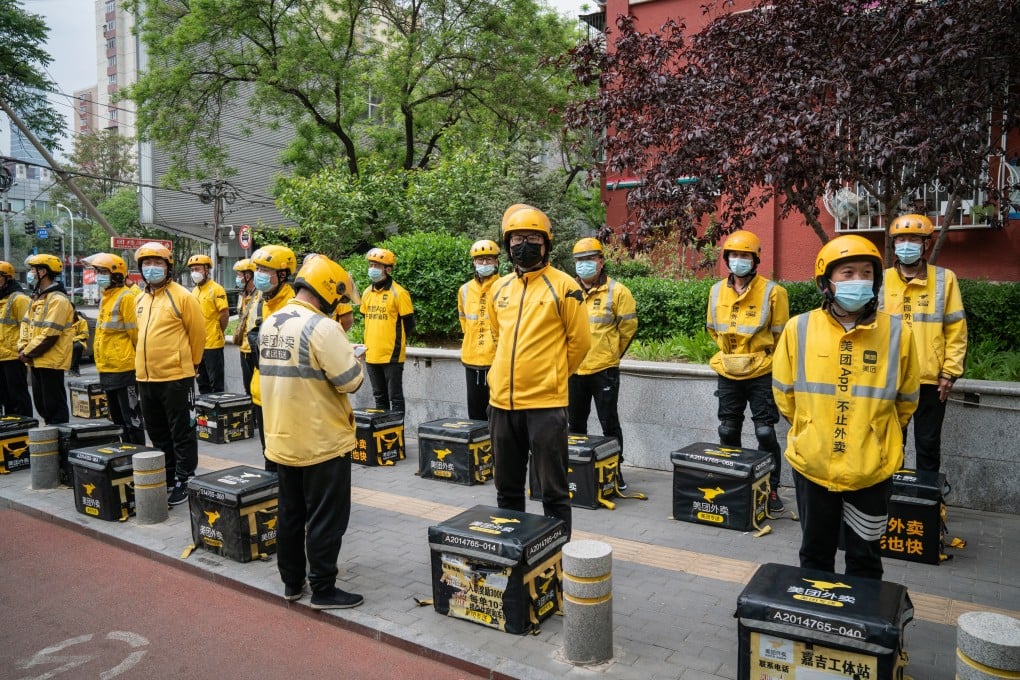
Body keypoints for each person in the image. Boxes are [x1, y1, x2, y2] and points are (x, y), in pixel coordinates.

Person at [772, 235, 919, 579]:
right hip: (813, 462)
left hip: (871, 467)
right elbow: (784, 393)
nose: (858, 281)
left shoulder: (897, 333)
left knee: (865, 559)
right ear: (826, 282)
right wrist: (810, 425)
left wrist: (875, 433)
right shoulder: (799, 328)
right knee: (815, 555)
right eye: (848, 273)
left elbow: (907, 399)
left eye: (866, 273)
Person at [259, 253, 365, 609]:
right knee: (326, 519)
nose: (339, 302)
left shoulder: (272, 322)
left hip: (281, 438)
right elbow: (349, 382)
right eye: (338, 296)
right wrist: (355, 358)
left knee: (290, 514)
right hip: (321, 442)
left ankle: (292, 582)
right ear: (327, 290)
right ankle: (323, 588)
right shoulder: (323, 327)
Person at [488, 204, 590, 537]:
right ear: (508, 244)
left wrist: (552, 376)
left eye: (532, 238)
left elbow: (580, 343)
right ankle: (514, 551)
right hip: (502, 405)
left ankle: (556, 553)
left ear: (546, 244)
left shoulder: (565, 287)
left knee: (553, 491)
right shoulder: (499, 289)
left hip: (545, 406)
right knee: (507, 489)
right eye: (516, 238)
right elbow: (497, 337)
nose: (524, 245)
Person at [706, 230, 790, 512]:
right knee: (728, 430)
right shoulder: (716, 291)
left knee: (765, 432)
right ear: (727, 259)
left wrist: (761, 357)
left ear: (755, 260)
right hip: (728, 369)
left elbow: (781, 336)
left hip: (762, 371)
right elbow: (712, 329)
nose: (738, 260)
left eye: (745, 255)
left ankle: (770, 488)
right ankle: (733, 483)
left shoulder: (773, 292)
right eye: (734, 255)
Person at [880, 214, 967, 475]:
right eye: (901, 239)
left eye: (913, 239)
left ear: (925, 244)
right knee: (891, 443)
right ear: (894, 244)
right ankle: (890, 496)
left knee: (928, 444)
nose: (906, 245)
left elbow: (956, 329)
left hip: (930, 379)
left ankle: (928, 496)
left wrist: (950, 372)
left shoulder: (944, 279)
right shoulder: (881, 280)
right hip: (891, 378)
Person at [133, 242, 206, 506]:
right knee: (157, 431)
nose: (152, 268)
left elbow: (198, 334)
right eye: (147, 264)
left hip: (176, 377)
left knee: (181, 431)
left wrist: (193, 365)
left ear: (168, 267)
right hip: (145, 378)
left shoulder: (183, 297)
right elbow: (138, 336)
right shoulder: (140, 299)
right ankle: (167, 473)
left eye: (158, 263)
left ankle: (185, 477)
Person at [568, 237, 638, 489]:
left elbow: (628, 329)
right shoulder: (567, 290)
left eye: (589, 259)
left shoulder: (618, 291)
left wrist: (611, 355)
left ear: (600, 261)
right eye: (579, 260)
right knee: (575, 425)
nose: (584, 264)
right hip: (574, 370)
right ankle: (576, 471)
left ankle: (614, 471)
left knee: (609, 422)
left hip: (604, 370)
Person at [245, 244, 297, 469]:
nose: (259, 275)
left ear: (283, 274)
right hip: (260, 390)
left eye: (265, 270)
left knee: (285, 456)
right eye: (257, 269)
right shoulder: (259, 301)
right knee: (268, 452)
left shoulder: (294, 305)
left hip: (285, 395)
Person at [85, 253, 146, 445]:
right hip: (107, 367)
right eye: (98, 272)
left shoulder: (126, 298)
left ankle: (137, 452)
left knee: (131, 418)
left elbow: (136, 335)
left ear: (117, 274)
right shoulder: (106, 297)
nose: (99, 276)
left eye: (103, 272)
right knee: (117, 419)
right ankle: (124, 451)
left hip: (124, 368)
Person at [18, 254, 74, 425]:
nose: (30, 274)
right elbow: (26, 325)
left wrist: (27, 352)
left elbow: (50, 334)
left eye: (32, 270)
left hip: (51, 361)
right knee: (42, 405)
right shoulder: (38, 298)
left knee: (54, 407)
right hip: (36, 360)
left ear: (43, 272)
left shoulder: (58, 300)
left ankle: (61, 437)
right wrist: (22, 346)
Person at [359, 247, 415, 414]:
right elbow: (366, 321)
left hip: (392, 356)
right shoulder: (366, 293)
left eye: (377, 266)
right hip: (371, 354)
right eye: (371, 265)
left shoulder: (399, 293)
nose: (372, 269)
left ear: (388, 269)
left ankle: (398, 430)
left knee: (395, 397)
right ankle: (383, 430)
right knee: (379, 397)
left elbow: (410, 325)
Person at [458, 239, 501, 420]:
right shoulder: (465, 290)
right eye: (480, 259)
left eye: (488, 259)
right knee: (475, 416)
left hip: (497, 360)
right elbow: (463, 320)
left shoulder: (505, 286)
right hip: (472, 358)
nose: (484, 263)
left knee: (498, 414)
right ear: (474, 262)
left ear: (496, 262)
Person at [188, 254, 229, 394]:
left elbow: (224, 314)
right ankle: (204, 408)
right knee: (202, 383)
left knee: (216, 384)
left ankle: (218, 408)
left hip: (213, 344)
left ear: (206, 270)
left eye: (197, 269)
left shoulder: (216, 289)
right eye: (192, 270)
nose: (194, 273)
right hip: (198, 346)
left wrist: (218, 331)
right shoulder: (194, 291)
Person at [0, 261, 33, 417]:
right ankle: (11, 427)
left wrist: (25, 351)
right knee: (5, 399)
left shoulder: (19, 299)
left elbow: (29, 328)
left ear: (7, 278)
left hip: (14, 357)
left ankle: (25, 426)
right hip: (1, 357)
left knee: (18, 397)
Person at [232, 258, 258, 397]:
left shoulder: (260, 296)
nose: (237, 278)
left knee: (257, 389)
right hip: (244, 348)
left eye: (239, 275)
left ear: (248, 276)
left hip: (255, 350)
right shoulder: (242, 295)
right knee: (247, 388)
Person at [69, 308, 89, 377]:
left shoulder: (82, 321)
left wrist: (72, 340)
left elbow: (85, 335)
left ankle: (74, 368)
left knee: (77, 346)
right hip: (63, 341)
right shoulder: (62, 320)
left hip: (75, 341)